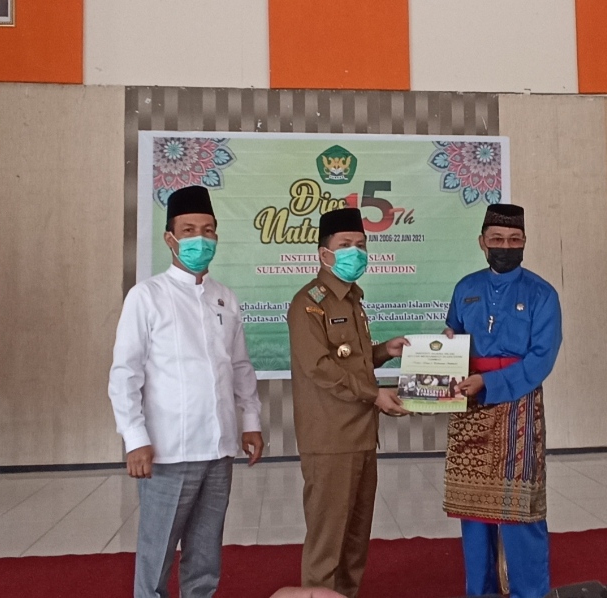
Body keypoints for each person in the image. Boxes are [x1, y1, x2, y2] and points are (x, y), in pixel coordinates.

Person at [108, 185, 265, 598]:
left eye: (208, 230)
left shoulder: (225, 297)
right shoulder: (147, 296)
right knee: (157, 552)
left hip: (219, 448)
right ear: (170, 238)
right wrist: (135, 438)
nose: (200, 239)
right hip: (168, 451)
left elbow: (240, 367)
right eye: (189, 230)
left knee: (206, 553)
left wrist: (250, 421)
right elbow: (125, 374)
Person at [286, 207, 410, 598]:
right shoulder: (309, 303)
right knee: (328, 539)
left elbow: (352, 360)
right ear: (324, 253)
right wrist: (376, 395)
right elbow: (319, 367)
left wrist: (384, 351)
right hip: (330, 437)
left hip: (362, 434)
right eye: (345, 245)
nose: (355, 252)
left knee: (355, 538)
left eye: (360, 244)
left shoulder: (353, 298)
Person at [442, 204, 563, 598]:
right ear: (482, 242)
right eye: (497, 239)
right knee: (473, 509)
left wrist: (490, 382)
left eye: (514, 240)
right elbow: (452, 337)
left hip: (518, 407)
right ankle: (481, 591)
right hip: (469, 406)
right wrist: (443, 354)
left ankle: (529, 592)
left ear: (524, 242)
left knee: (518, 510)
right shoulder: (465, 288)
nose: (505, 246)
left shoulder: (542, 294)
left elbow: (541, 358)